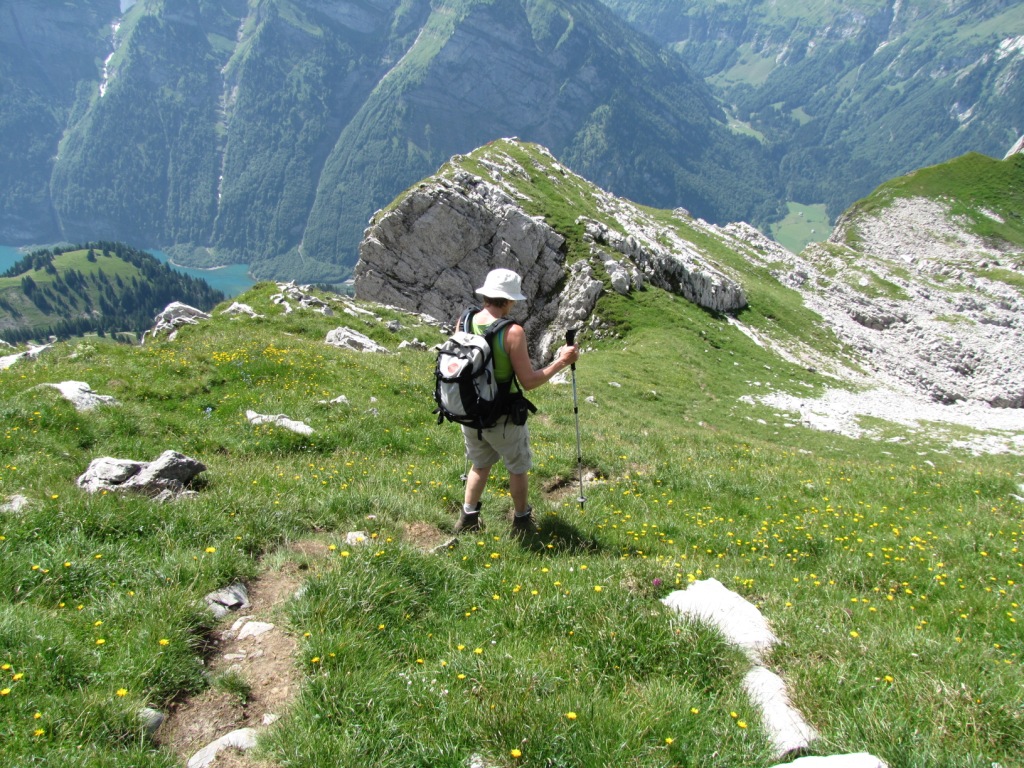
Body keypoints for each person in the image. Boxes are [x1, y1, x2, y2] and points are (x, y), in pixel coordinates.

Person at [454, 268, 580, 534]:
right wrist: (562, 361)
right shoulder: (513, 332)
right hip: (502, 414)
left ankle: (467, 519)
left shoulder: (465, 321)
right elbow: (529, 382)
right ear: (510, 300)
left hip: (470, 410)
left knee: (480, 465)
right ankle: (522, 520)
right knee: (517, 468)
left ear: (487, 294)